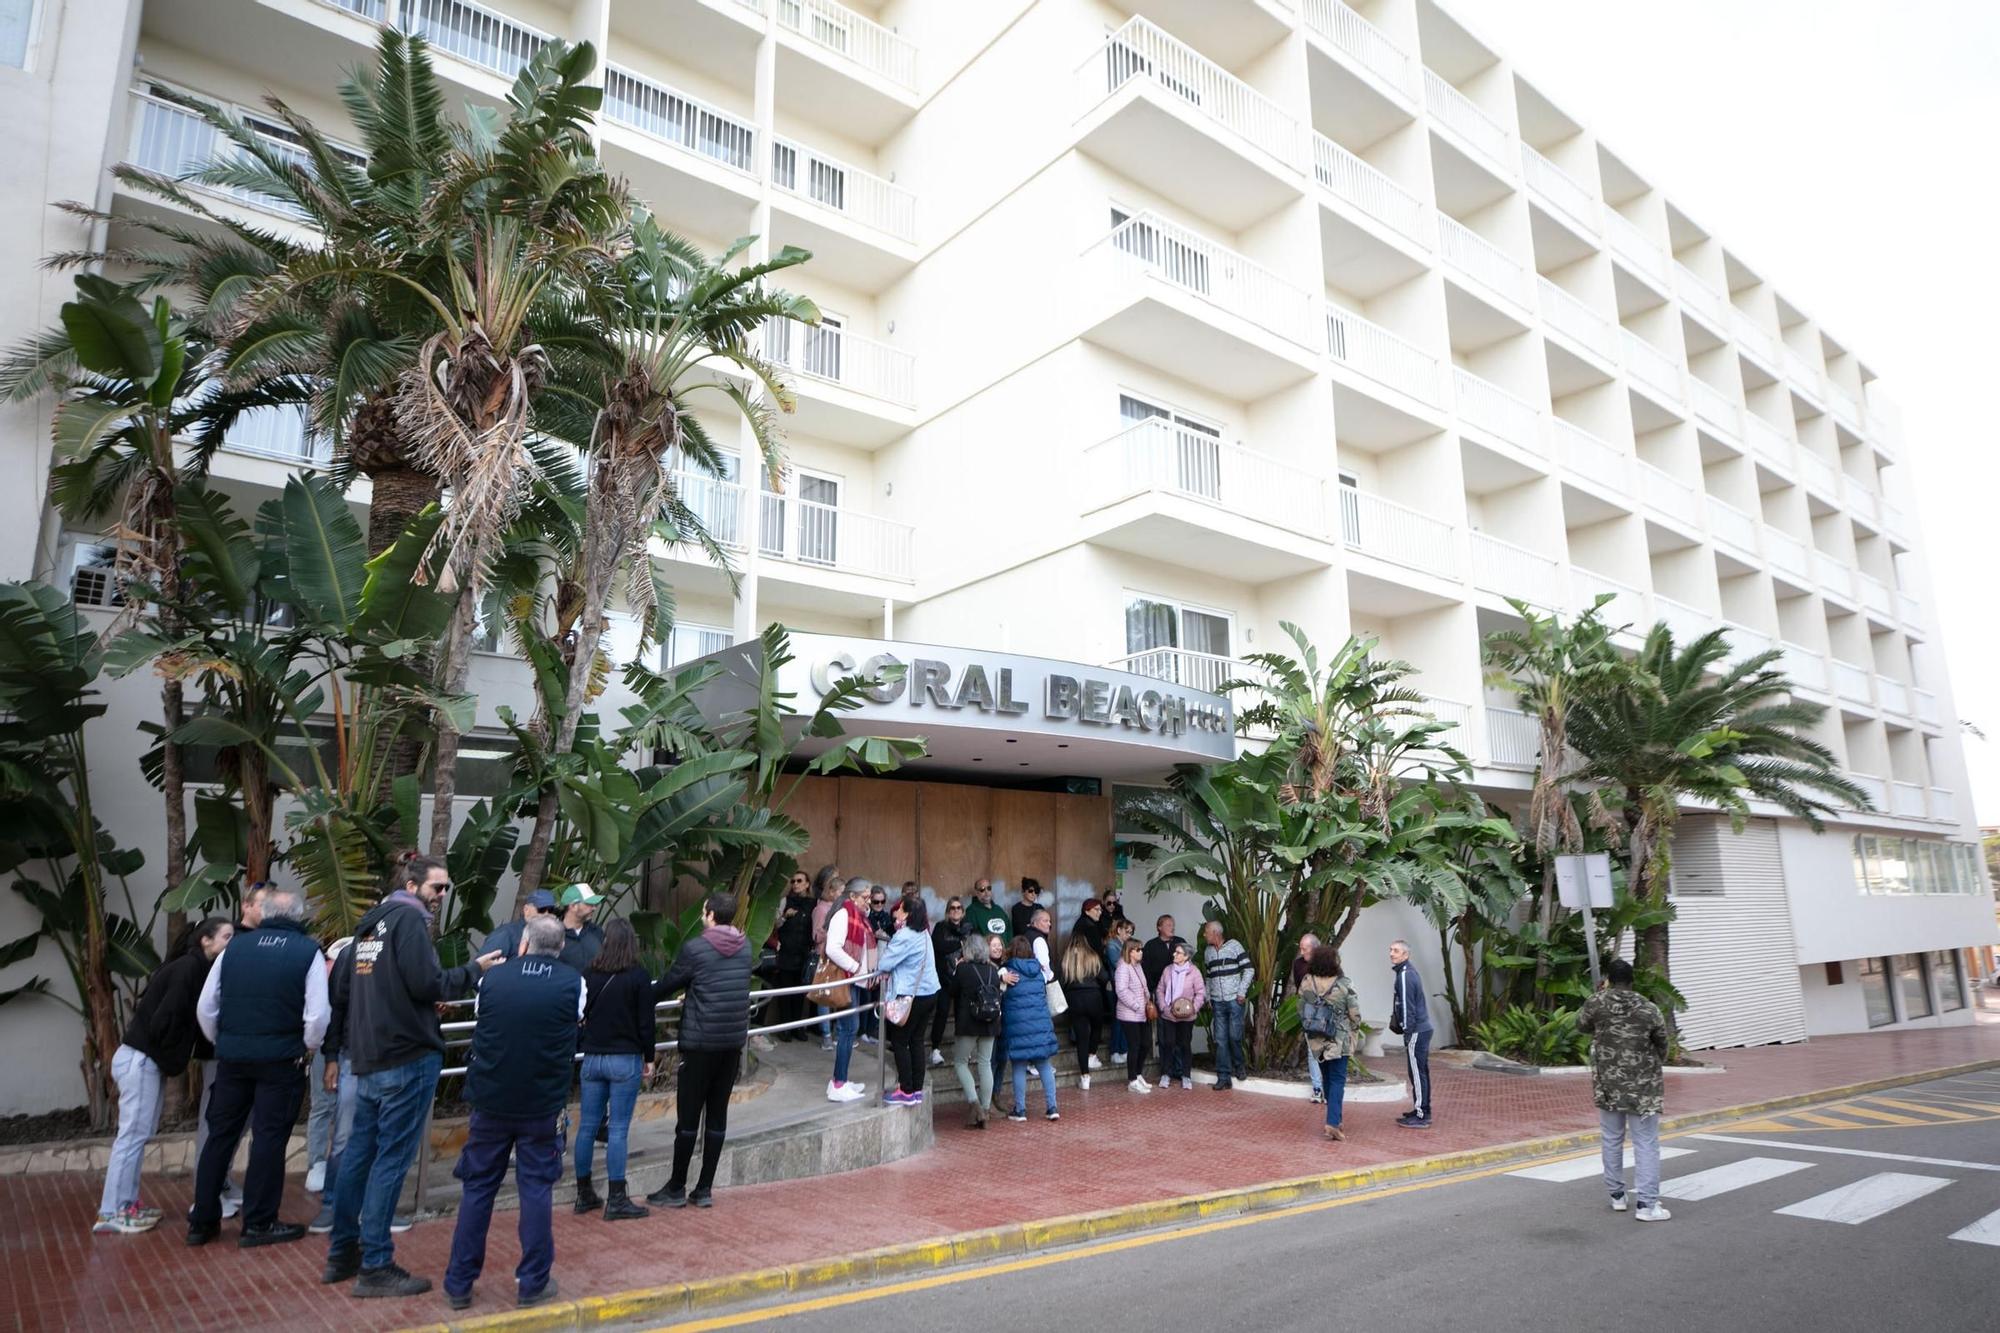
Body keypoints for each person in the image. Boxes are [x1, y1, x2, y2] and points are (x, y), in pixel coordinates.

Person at [323, 854, 502, 1298]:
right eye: (436, 888)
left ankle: (343, 1252)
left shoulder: (369, 925)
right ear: (411, 882)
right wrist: (473, 971)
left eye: (446, 889)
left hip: (369, 1057)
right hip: (405, 1057)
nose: (441, 896)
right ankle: (376, 1264)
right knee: (389, 1161)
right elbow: (428, 983)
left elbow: (355, 989)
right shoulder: (408, 921)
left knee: (359, 1157)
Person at [441, 916, 585, 1311]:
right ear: (561, 948)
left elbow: (484, 1014)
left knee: (478, 1189)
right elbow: (576, 1022)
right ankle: (532, 1282)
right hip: (541, 1103)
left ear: (523, 944)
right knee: (536, 1190)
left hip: (490, 1100)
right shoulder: (574, 982)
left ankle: (458, 1283)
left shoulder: (492, 979)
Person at [189, 887, 328, 1249]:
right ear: (299, 916)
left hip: (233, 1058)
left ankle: (202, 1222)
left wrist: (225, 1041)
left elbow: (206, 1007)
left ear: (263, 914)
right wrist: (307, 1047)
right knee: (268, 1139)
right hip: (281, 1059)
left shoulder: (233, 948)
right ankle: (259, 1223)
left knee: (220, 1136)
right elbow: (317, 1016)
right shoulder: (307, 952)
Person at [95, 918, 232, 1235]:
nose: (230, 942)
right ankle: (112, 1210)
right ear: (205, 941)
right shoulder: (188, 969)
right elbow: (165, 1021)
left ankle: (127, 1204)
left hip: (145, 1061)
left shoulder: (194, 969)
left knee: (138, 1135)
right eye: (226, 936)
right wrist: (172, 1056)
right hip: (141, 1060)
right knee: (131, 1137)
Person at [648, 893, 751, 1208]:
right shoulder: (745, 945)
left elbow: (669, 983)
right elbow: (718, 982)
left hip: (700, 1041)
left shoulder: (696, 947)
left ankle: (677, 1187)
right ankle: (704, 1189)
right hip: (732, 1041)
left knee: (688, 1119)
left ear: (708, 915)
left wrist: (641, 995)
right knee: (717, 1116)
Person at [189, 883, 268, 1223]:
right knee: (215, 1120)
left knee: (241, 1121)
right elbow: (207, 1005)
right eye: (262, 905)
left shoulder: (265, 943)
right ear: (247, 906)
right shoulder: (230, 943)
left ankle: (220, 1181)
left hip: (248, 1051)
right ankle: (202, 1194)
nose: (268, 912)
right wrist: (219, 1041)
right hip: (221, 1051)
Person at [1577, 959, 1672, 1223]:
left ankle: (1617, 1196)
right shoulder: (1648, 1008)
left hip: (1608, 1084)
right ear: (1632, 981)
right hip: (1643, 1088)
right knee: (1646, 1142)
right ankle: (1647, 1204)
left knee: (1611, 1138)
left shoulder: (1596, 1003)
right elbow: (1662, 1044)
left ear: (1608, 979)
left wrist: (1599, 994)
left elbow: (1581, 1026)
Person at [574, 918, 655, 1222]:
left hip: (593, 1057)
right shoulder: (638, 976)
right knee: (618, 1128)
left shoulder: (590, 973)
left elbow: (579, 1012)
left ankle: (584, 1194)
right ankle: (617, 1197)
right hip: (624, 1058)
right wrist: (649, 1057)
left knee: (587, 1126)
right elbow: (646, 1023)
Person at [308, 936, 359, 1236]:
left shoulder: (404, 953)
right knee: (341, 1132)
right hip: (349, 1057)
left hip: (385, 1059)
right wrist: (331, 1056)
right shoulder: (349, 958)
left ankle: (368, 1207)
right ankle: (331, 1203)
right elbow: (333, 1011)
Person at [877, 896, 943, 1104]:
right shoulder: (923, 932)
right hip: (930, 992)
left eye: (900, 909)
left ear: (906, 914)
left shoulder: (904, 935)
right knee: (916, 1040)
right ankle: (916, 1089)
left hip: (910, 995)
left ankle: (905, 1090)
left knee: (899, 1041)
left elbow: (885, 962)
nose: (895, 912)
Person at [1296, 945, 1363, 1141]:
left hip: (1316, 1038)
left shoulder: (1308, 981)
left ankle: (1336, 1119)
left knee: (1326, 1078)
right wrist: (1353, 1029)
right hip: (1338, 1039)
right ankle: (1332, 1123)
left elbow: (1301, 1007)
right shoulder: (1343, 984)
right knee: (1337, 1080)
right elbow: (1355, 1014)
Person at [998, 936, 1060, 1122]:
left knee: (1018, 1065)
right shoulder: (1038, 971)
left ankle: (1020, 1109)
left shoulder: (1007, 971)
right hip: (1040, 1024)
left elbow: (1000, 993)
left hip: (1017, 1026)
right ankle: (1052, 1107)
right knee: (1044, 1065)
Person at [821, 881, 870, 1102]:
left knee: (851, 1028)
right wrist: (855, 967)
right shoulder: (843, 915)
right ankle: (838, 1082)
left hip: (854, 979)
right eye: (865, 897)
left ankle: (841, 1079)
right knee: (847, 1028)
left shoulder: (857, 915)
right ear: (852, 896)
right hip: (846, 977)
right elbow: (833, 948)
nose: (868, 901)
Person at [948, 933, 1002, 1127]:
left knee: (961, 1062)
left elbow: (952, 991)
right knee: (985, 1063)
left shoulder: (962, 969)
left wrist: (957, 967)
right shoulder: (992, 970)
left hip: (968, 1022)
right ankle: (986, 1109)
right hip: (990, 1021)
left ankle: (975, 1104)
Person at [1202, 922, 1255, 1092]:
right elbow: (1209, 977)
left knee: (1234, 1036)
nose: (1204, 935)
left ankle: (1239, 1066)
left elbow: (1249, 970)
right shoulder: (1208, 952)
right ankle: (1223, 1077)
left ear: (1215, 932)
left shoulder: (1234, 946)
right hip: (1217, 1003)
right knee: (1221, 1040)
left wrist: (1241, 992)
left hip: (1234, 1000)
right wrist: (1208, 997)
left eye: (1206, 932)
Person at [1388, 939, 1433, 1129]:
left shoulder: (1405, 975)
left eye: (1396, 951)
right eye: (1391, 950)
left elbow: (1407, 1006)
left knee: (1417, 1072)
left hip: (1416, 1030)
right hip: (1421, 1029)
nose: (1392, 953)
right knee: (1419, 1071)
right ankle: (1421, 1109)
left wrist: (1407, 1030)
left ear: (1405, 955)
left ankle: (1422, 1114)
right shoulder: (1407, 972)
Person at [1153, 942, 1205, 1091]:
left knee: (1184, 1045)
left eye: (1178, 953)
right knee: (1168, 1043)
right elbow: (1160, 990)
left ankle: (1186, 1076)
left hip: (1186, 1017)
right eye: (1175, 952)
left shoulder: (1194, 971)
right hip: (1169, 1015)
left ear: (1187, 956)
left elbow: (1200, 992)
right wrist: (1163, 1007)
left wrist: (1193, 1008)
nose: (1174, 955)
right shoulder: (1167, 970)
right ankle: (1166, 1074)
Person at [1140, 915, 1186, 1082]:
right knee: (1164, 1033)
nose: (1171, 927)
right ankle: (1166, 1069)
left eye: (1173, 924)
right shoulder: (1151, 946)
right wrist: (1153, 989)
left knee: (1180, 1032)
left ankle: (1180, 1069)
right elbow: (1145, 969)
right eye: (1168, 925)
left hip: (1180, 995)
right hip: (1161, 995)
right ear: (1159, 927)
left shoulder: (1180, 942)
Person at [1060, 937, 1107, 1090]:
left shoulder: (1067, 958)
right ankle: (1092, 1055)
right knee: (1097, 1027)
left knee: (1081, 1039)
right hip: (1094, 996)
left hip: (1075, 998)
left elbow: (1063, 981)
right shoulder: (1093, 956)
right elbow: (1104, 977)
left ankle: (1085, 1077)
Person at [928, 895, 968, 1067]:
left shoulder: (968, 928)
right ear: (947, 911)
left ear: (963, 911)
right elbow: (939, 947)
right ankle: (935, 1049)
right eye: (952, 908)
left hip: (963, 977)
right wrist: (960, 943)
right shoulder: (940, 927)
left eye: (959, 908)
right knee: (942, 1012)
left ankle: (962, 1049)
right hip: (943, 977)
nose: (956, 911)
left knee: (962, 1013)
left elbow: (973, 948)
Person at [1113, 940, 1153, 1093]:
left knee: (1145, 1043)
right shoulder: (1123, 967)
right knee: (1134, 1045)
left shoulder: (1137, 965)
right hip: (1130, 1014)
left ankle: (1138, 1073)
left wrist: (1147, 1000)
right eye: (1138, 950)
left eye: (1141, 949)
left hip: (1141, 1013)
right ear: (1129, 951)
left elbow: (1143, 986)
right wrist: (1136, 1005)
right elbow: (1122, 991)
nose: (1141, 952)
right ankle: (1132, 1080)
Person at [1291, 934, 1325, 1104]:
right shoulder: (1298, 964)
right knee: (1313, 1053)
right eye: (1301, 948)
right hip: (1309, 1013)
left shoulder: (1326, 963)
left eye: (1305, 948)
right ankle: (1317, 1089)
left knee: (1327, 1051)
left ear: (1314, 948)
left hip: (1326, 1014)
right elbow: (1299, 987)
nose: (1302, 951)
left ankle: (1328, 1089)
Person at [810, 875, 843, 1049]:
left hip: (837, 957)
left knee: (837, 996)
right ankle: (826, 1034)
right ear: (831, 891)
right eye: (840, 892)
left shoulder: (839, 909)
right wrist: (829, 930)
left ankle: (836, 1031)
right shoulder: (821, 910)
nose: (842, 895)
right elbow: (816, 935)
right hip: (823, 956)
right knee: (824, 998)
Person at [480, 888, 557, 963]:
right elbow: (481, 966)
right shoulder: (506, 934)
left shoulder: (550, 937)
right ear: (526, 910)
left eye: (551, 910)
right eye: (541, 910)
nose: (547, 914)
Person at [1103, 919, 1135, 1062]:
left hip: (1124, 986)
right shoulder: (1112, 945)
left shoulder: (1123, 945)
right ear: (1119, 930)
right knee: (1118, 1019)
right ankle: (1115, 1050)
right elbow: (1118, 965)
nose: (1129, 935)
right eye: (1127, 931)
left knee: (1124, 1018)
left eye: (1131, 932)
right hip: (1115, 985)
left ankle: (1123, 1049)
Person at [556, 884, 605, 972]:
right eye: (589, 904)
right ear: (573, 906)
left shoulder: (597, 931)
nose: (594, 908)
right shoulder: (553, 934)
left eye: (595, 904)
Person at [964, 877, 1009, 942]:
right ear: (976, 893)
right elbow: (970, 936)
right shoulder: (971, 911)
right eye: (982, 890)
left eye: (989, 888)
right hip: (985, 951)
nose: (986, 892)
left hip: (1004, 950)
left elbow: (1009, 930)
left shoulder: (999, 910)